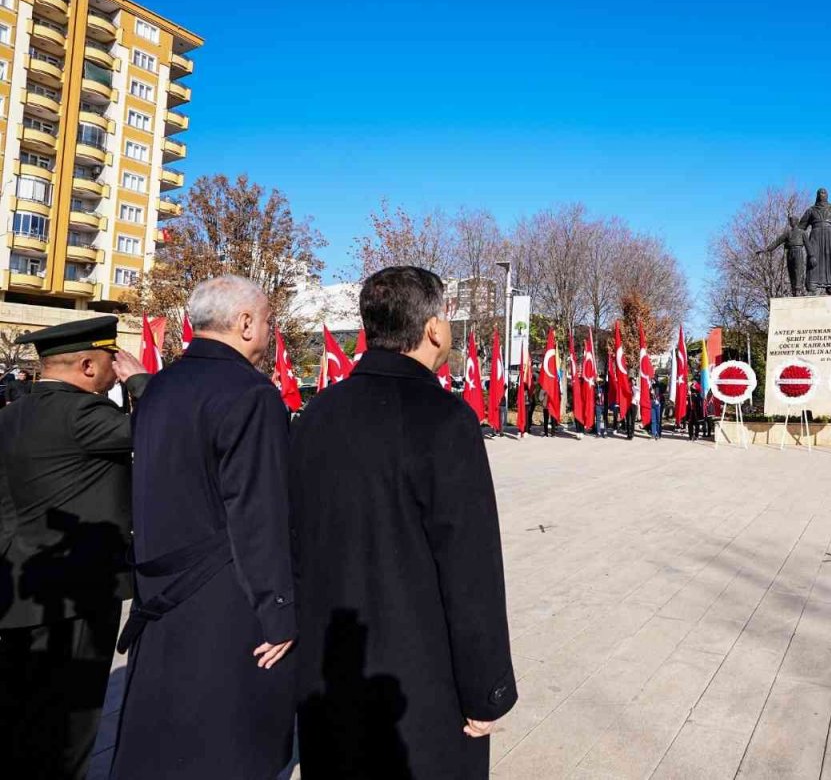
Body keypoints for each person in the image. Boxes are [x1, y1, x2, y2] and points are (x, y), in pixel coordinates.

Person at [291, 266, 517, 779]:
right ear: (434, 328)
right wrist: (487, 687)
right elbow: (470, 569)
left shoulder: (317, 412)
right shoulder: (445, 419)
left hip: (330, 672)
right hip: (420, 687)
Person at [112, 276, 297, 780]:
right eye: (265, 321)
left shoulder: (161, 385)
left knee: (165, 739)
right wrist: (279, 610)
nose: (267, 331)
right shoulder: (252, 394)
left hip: (161, 587)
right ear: (244, 323)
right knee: (224, 741)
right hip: (226, 597)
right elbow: (259, 513)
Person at [0, 317, 148, 780]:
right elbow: (161, 428)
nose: (114, 370)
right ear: (87, 364)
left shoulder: (11, 412)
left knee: (23, 713)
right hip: (78, 593)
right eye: (111, 360)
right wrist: (142, 381)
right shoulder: (85, 414)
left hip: (20, 585)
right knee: (71, 724)